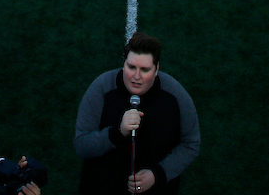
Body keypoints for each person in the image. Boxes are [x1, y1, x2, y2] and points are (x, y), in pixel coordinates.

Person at [74, 31, 200, 195]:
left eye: (145, 69)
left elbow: (191, 144)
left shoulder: (176, 95)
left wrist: (158, 174)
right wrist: (117, 133)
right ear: (124, 63)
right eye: (131, 67)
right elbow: (82, 145)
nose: (136, 76)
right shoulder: (101, 88)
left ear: (156, 69)